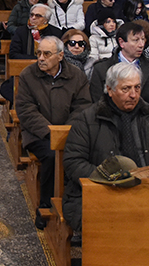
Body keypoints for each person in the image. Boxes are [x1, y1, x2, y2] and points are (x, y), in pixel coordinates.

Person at [62, 63, 149, 232]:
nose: (133, 95)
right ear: (110, 90)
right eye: (126, 89)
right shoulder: (88, 119)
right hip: (103, 191)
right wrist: (109, 180)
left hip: (148, 190)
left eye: (137, 87)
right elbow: (73, 162)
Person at [15, 36, 92, 218]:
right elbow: (26, 110)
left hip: (70, 133)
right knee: (51, 157)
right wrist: (51, 132)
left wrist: (66, 132)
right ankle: (46, 206)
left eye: (47, 54)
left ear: (60, 56)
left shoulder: (76, 75)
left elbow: (82, 106)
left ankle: (79, 205)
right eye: (39, 53)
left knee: (85, 156)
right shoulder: (28, 75)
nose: (41, 58)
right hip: (39, 134)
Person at [89, 21, 149, 110]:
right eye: (136, 40)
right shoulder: (101, 69)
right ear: (121, 43)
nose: (141, 45)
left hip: (144, 121)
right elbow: (97, 106)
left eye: (143, 39)